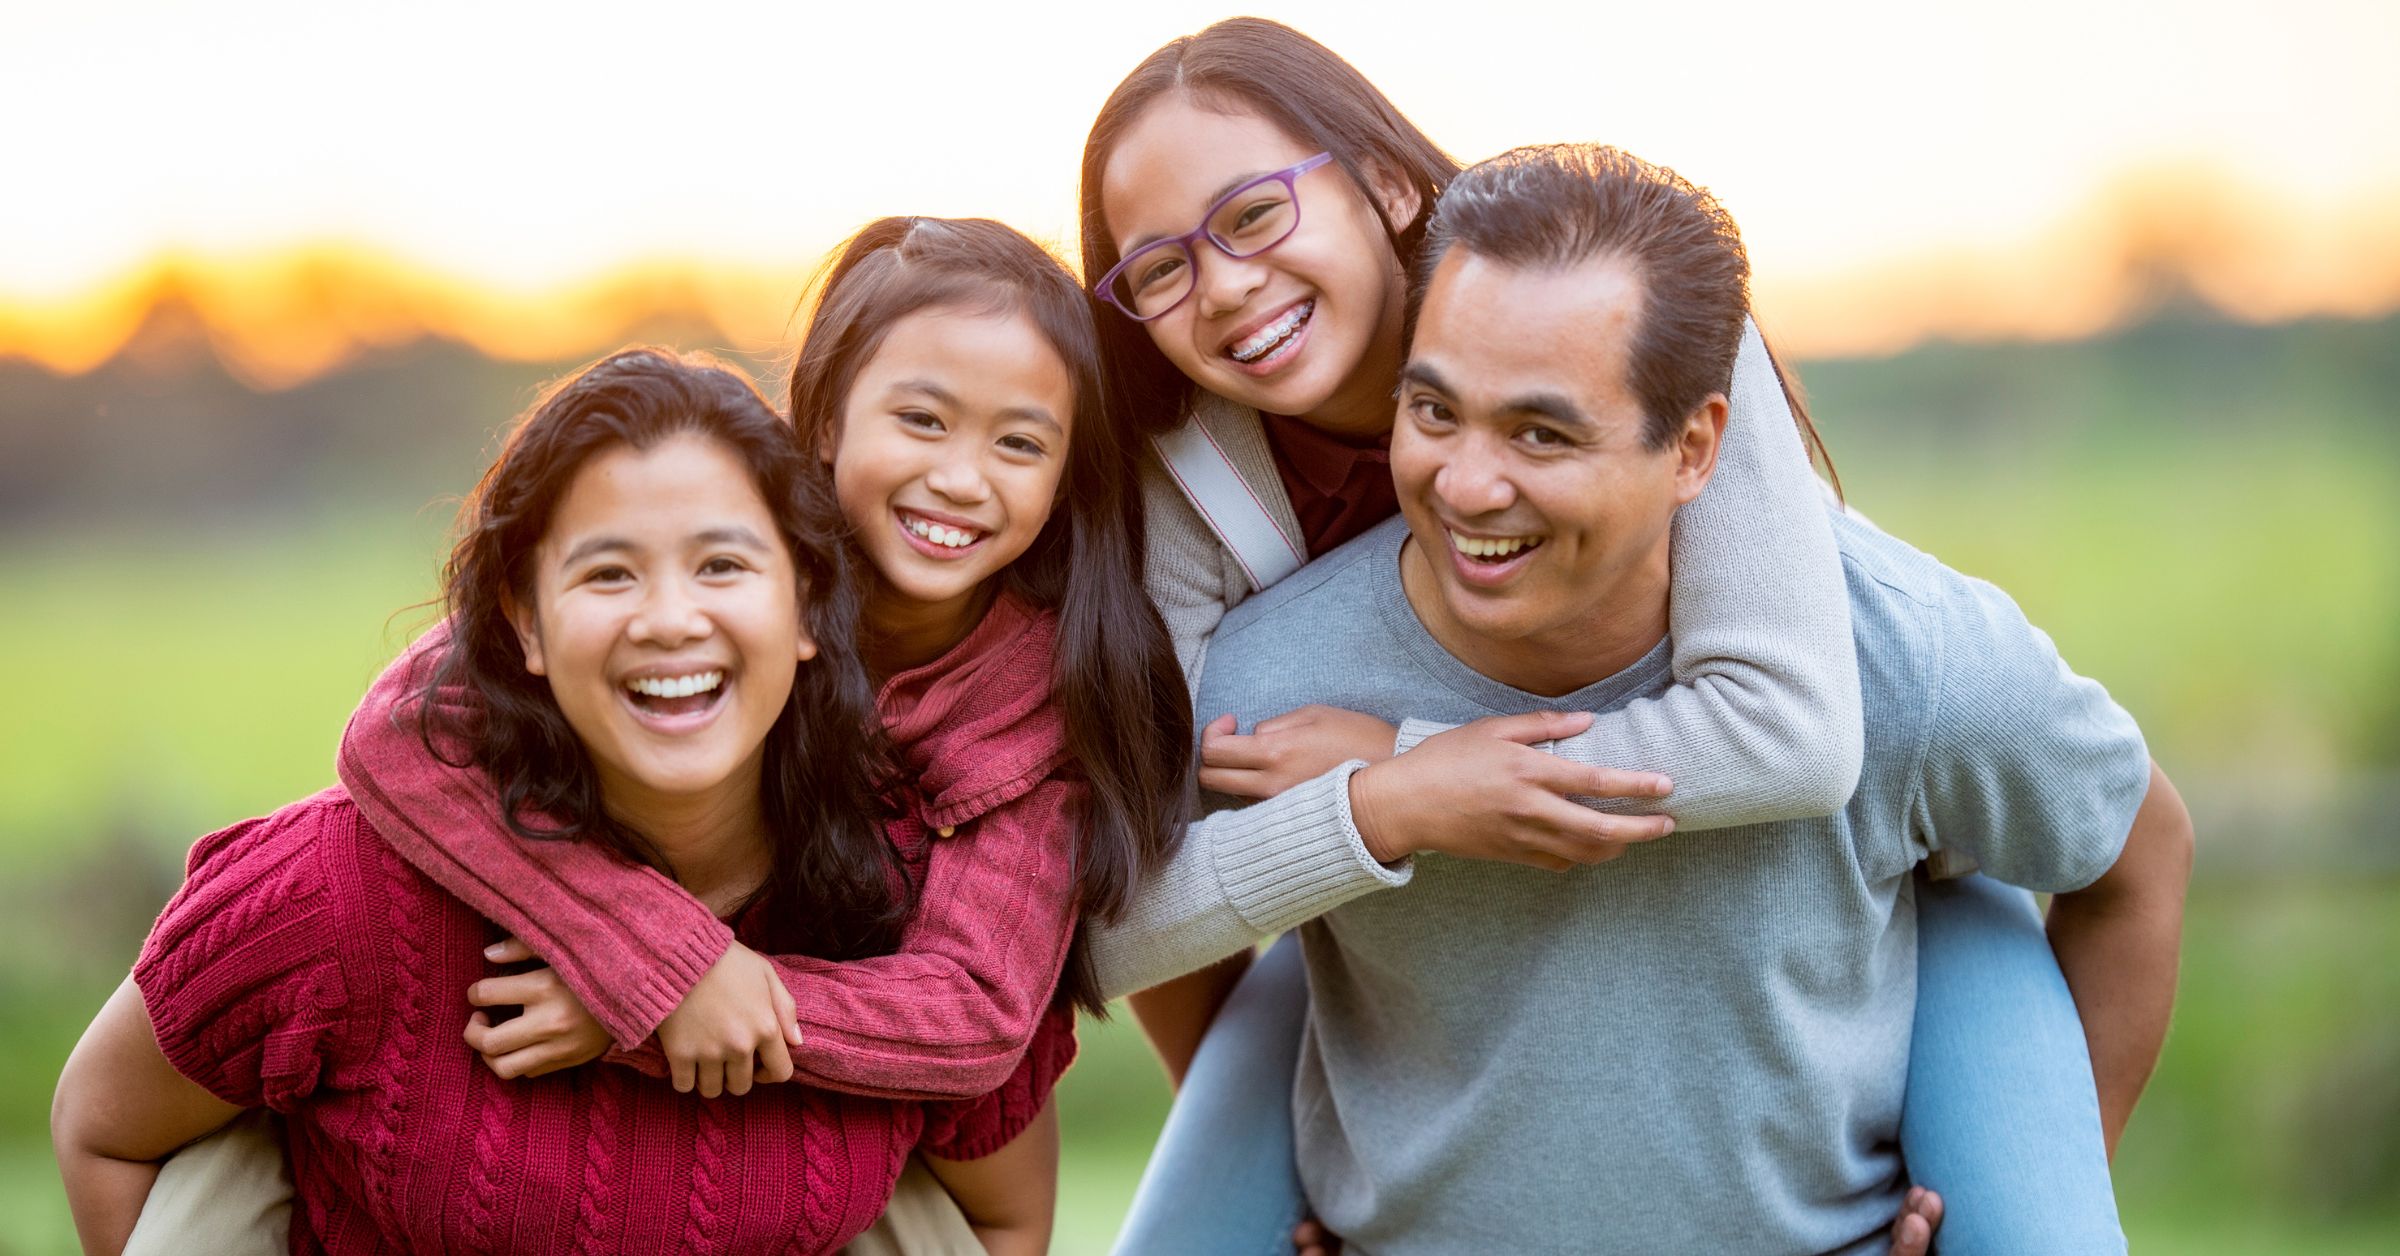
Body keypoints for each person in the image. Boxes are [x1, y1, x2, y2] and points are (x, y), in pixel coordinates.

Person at [1079, 20, 2150, 1255]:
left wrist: (1420, 756)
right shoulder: (1190, 478)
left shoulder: (1621, 302)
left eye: (1253, 215)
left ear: (1382, 183)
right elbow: (1143, 862)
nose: (1219, 285)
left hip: (1838, 897)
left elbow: (1798, 733)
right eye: (1157, 267)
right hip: (1390, 930)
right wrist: (1321, 1151)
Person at [50, 347, 1077, 1254]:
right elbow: (103, 1127)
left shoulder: (901, 905)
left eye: (722, 564)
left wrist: (696, 996)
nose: (671, 619)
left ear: (809, 604)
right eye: (608, 573)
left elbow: (1000, 1219)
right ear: (526, 625)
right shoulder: (340, 894)